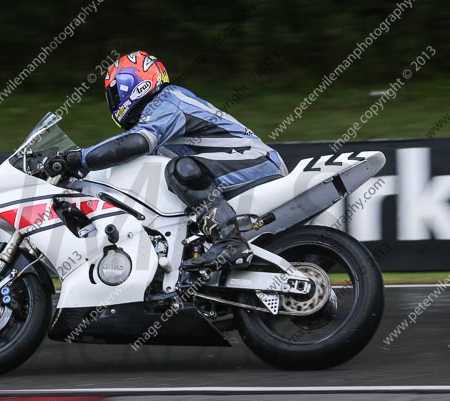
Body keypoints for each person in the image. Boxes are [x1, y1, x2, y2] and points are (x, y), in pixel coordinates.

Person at [42, 51, 287, 271]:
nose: (114, 100)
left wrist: (78, 159)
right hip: (241, 165)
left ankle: (230, 243)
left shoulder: (167, 100)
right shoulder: (156, 115)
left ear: (133, 84)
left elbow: (135, 143)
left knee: (182, 171)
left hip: (255, 160)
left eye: (117, 91)